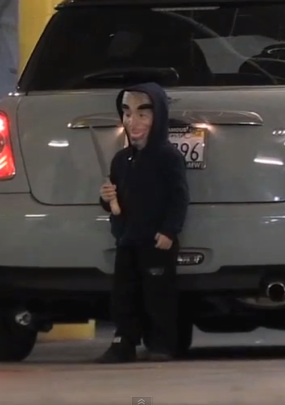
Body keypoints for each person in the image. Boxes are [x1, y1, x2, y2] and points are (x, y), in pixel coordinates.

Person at [95, 82, 189, 363]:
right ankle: (124, 340)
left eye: (142, 114)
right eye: (127, 113)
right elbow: (116, 199)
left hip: (156, 241)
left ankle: (161, 342)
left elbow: (179, 196)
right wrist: (106, 198)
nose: (132, 122)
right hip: (127, 239)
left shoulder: (168, 157)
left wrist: (169, 230)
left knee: (157, 294)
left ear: (157, 117)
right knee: (124, 293)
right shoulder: (121, 160)